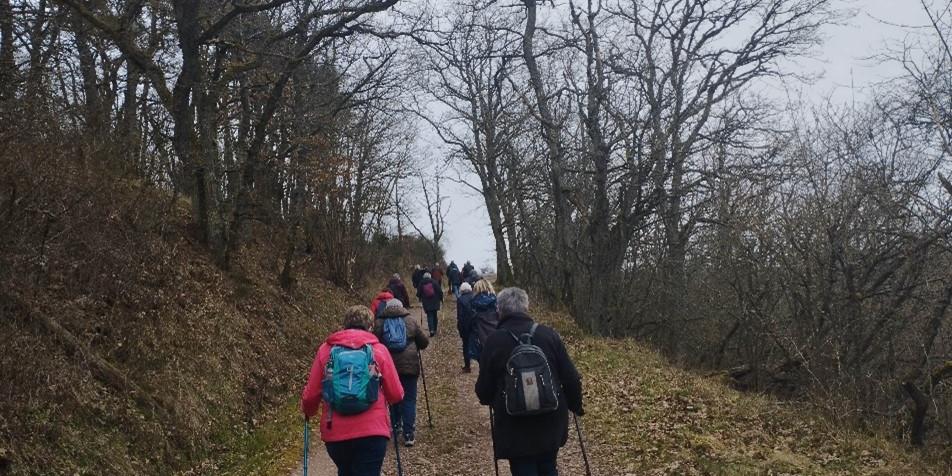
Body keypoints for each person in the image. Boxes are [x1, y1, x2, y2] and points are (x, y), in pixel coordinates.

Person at [475, 287, 583, 476]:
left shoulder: (494, 341)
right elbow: (571, 377)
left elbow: (483, 390)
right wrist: (575, 405)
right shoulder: (548, 335)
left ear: (500, 310)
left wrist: (495, 400)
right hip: (551, 419)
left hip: (514, 424)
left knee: (523, 469)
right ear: (526, 307)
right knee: (549, 466)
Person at [301, 306, 404, 476]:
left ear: (344, 325)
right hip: (372, 433)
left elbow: (311, 395)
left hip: (336, 434)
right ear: (370, 327)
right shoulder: (379, 350)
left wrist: (308, 410)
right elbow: (396, 394)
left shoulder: (326, 351)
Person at [373, 300, 429, 446]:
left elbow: (373, 343)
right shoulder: (410, 320)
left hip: (388, 366)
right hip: (409, 366)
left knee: (392, 396)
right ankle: (409, 434)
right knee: (409, 399)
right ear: (401, 306)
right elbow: (424, 342)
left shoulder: (379, 322)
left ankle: (396, 425)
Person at [469, 279, 498, 361]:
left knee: (483, 366)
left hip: (480, 341)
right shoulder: (497, 302)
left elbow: (469, 323)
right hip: (497, 338)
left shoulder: (472, 304)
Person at [456, 282, 476, 373]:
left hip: (465, 326)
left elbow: (460, 316)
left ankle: (467, 366)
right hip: (475, 325)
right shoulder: (475, 297)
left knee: (466, 346)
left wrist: (460, 328)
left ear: (461, 290)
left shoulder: (460, 300)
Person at [415, 272, 444, 337]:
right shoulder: (434, 282)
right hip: (435, 301)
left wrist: (421, 297)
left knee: (429, 316)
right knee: (435, 315)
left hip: (426, 302)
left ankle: (431, 330)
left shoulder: (421, 283)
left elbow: (418, 294)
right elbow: (439, 291)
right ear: (430, 276)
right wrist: (441, 299)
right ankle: (435, 329)